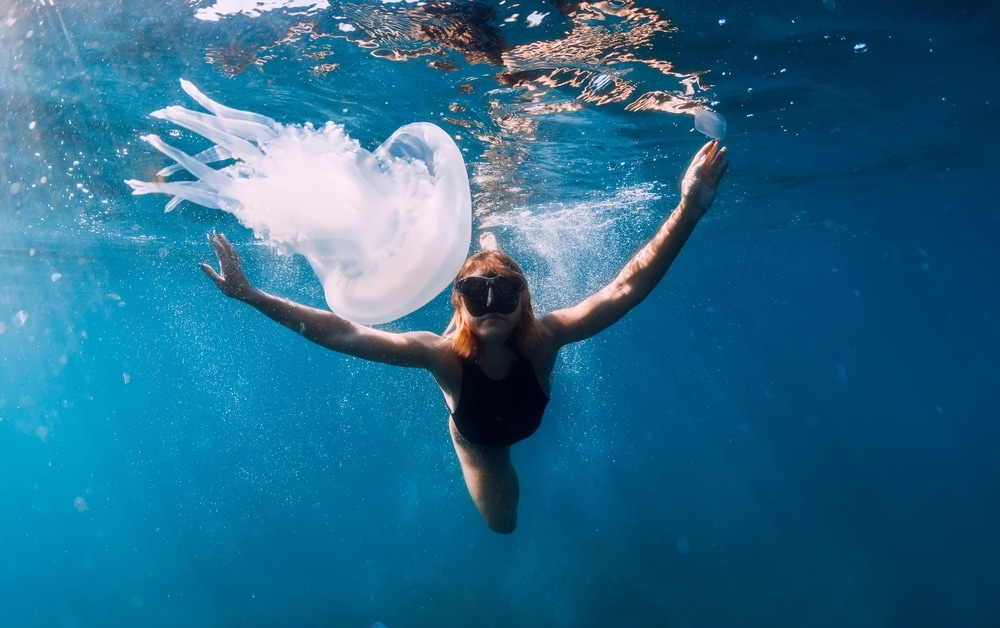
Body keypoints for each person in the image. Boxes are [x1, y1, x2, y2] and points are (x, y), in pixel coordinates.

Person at [202, 139, 728, 534]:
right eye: (478, 295)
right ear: (460, 306)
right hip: (481, 445)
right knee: (504, 524)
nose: (493, 303)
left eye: (506, 291)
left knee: (504, 522)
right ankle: (485, 245)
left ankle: (489, 241)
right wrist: (254, 296)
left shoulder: (545, 338)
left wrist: (690, 208)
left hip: (507, 388)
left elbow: (627, 287)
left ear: (526, 298)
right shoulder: (442, 357)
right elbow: (344, 333)